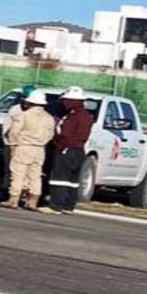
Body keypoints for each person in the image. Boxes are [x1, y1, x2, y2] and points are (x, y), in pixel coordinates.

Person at [0, 89, 55, 211]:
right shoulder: (49, 118)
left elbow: (14, 132)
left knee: (18, 174)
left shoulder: (23, 115)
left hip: (23, 147)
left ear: (31, 103)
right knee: (35, 175)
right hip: (39, 149)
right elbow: (50, 135)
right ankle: (33, 201)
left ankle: (13, 199)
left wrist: (13, 145)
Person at [48, 86, 93, 214]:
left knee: (60, 178)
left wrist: (57, 141)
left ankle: (55, 206)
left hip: (67, 149)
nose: (64, 103)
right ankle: (68, 206)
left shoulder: (73, 116)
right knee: (72, 180)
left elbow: (65, 134)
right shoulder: (86, 115)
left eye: (66, 100)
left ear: (74, 101)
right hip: (78, 150)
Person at [0, 83, 37, 186]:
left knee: (27, 172)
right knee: (9, 169)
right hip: (12, 145)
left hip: (28, 146)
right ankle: (6, 189)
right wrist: (9, 143)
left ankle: (23, 193)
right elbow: (7, 127)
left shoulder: (38, 113)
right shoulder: (15, 109)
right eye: (24, 97)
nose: (25, 100)